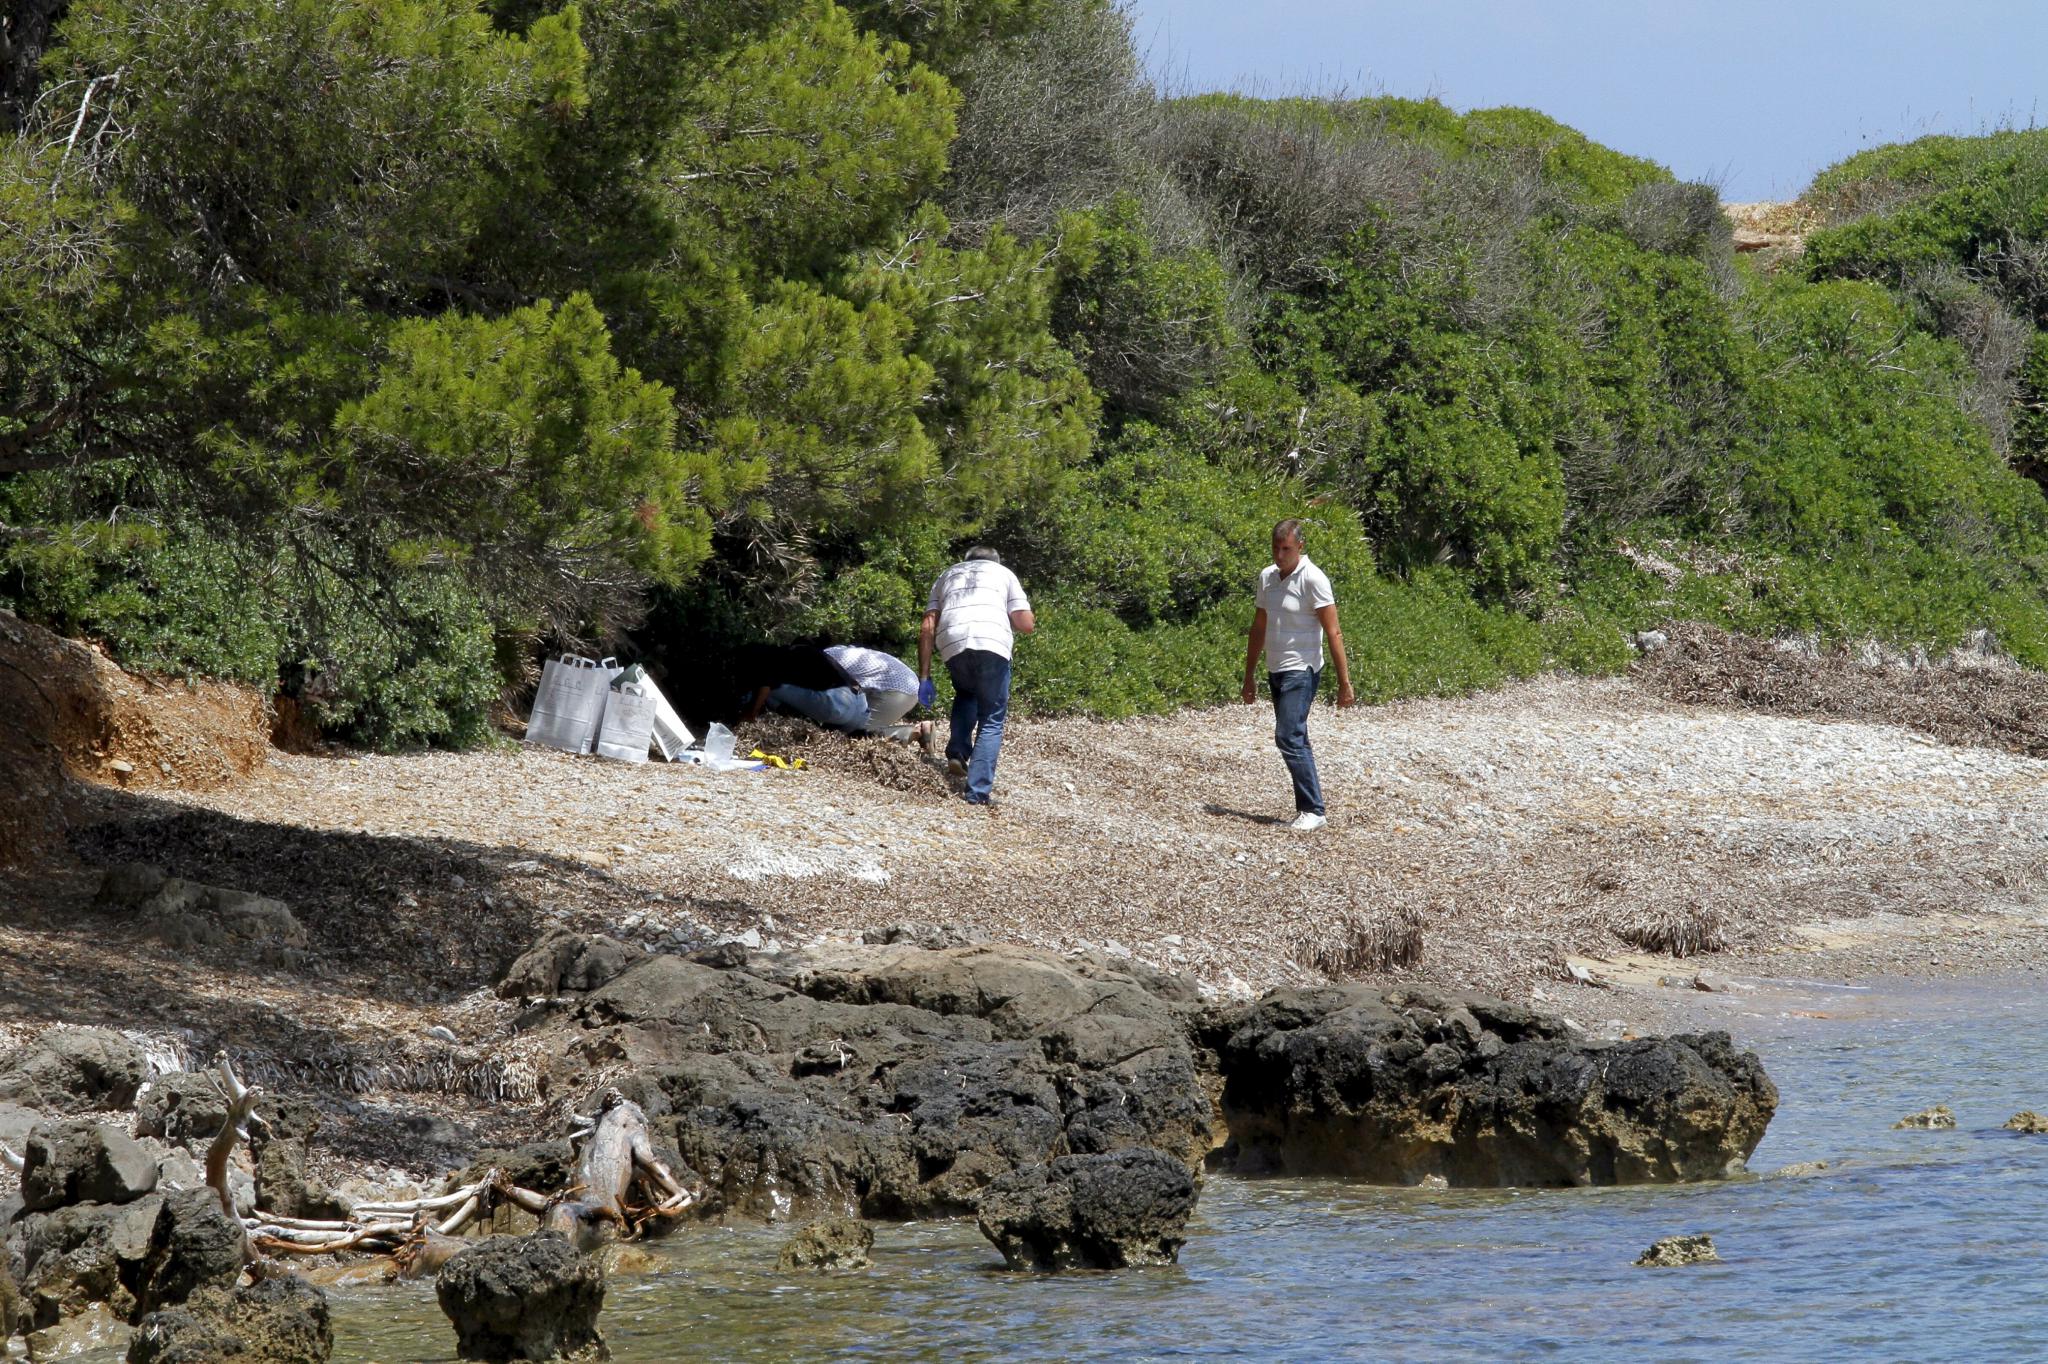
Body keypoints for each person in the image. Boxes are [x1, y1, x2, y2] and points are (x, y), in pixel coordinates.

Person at [1241, 519, 1354, 831]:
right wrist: (1248, 676)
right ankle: (1311, 807)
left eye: (1286, 548)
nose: (1280, 555)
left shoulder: (1314, 579)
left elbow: (1334, 632)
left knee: (1287, 735)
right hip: (1275, 668)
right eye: (1275, 548)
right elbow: (1259, 627)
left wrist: (1345, 682)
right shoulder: (1267, 577)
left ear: (1300, 547)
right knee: (1296, 736)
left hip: (1302, 670)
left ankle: (1313, 810)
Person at [920, 547, 1034, 805]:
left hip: (952, 642)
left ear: (967, 561)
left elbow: (927, 625)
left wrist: (924, 677)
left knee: (966, 692)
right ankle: (977, 793)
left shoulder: (947, 574)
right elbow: (1025, 624)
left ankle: (957, 752)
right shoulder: (1004, 574)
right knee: (992, 718)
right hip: (991, 643)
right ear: (995, 561)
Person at [734, 642, 928, 742]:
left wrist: (750, 714)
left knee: (859, 736)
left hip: (897, 690)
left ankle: (912, 732)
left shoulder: (826, 657)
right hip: (900, 686)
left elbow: (771, 683)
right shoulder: (832, 654)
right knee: (845, 731)